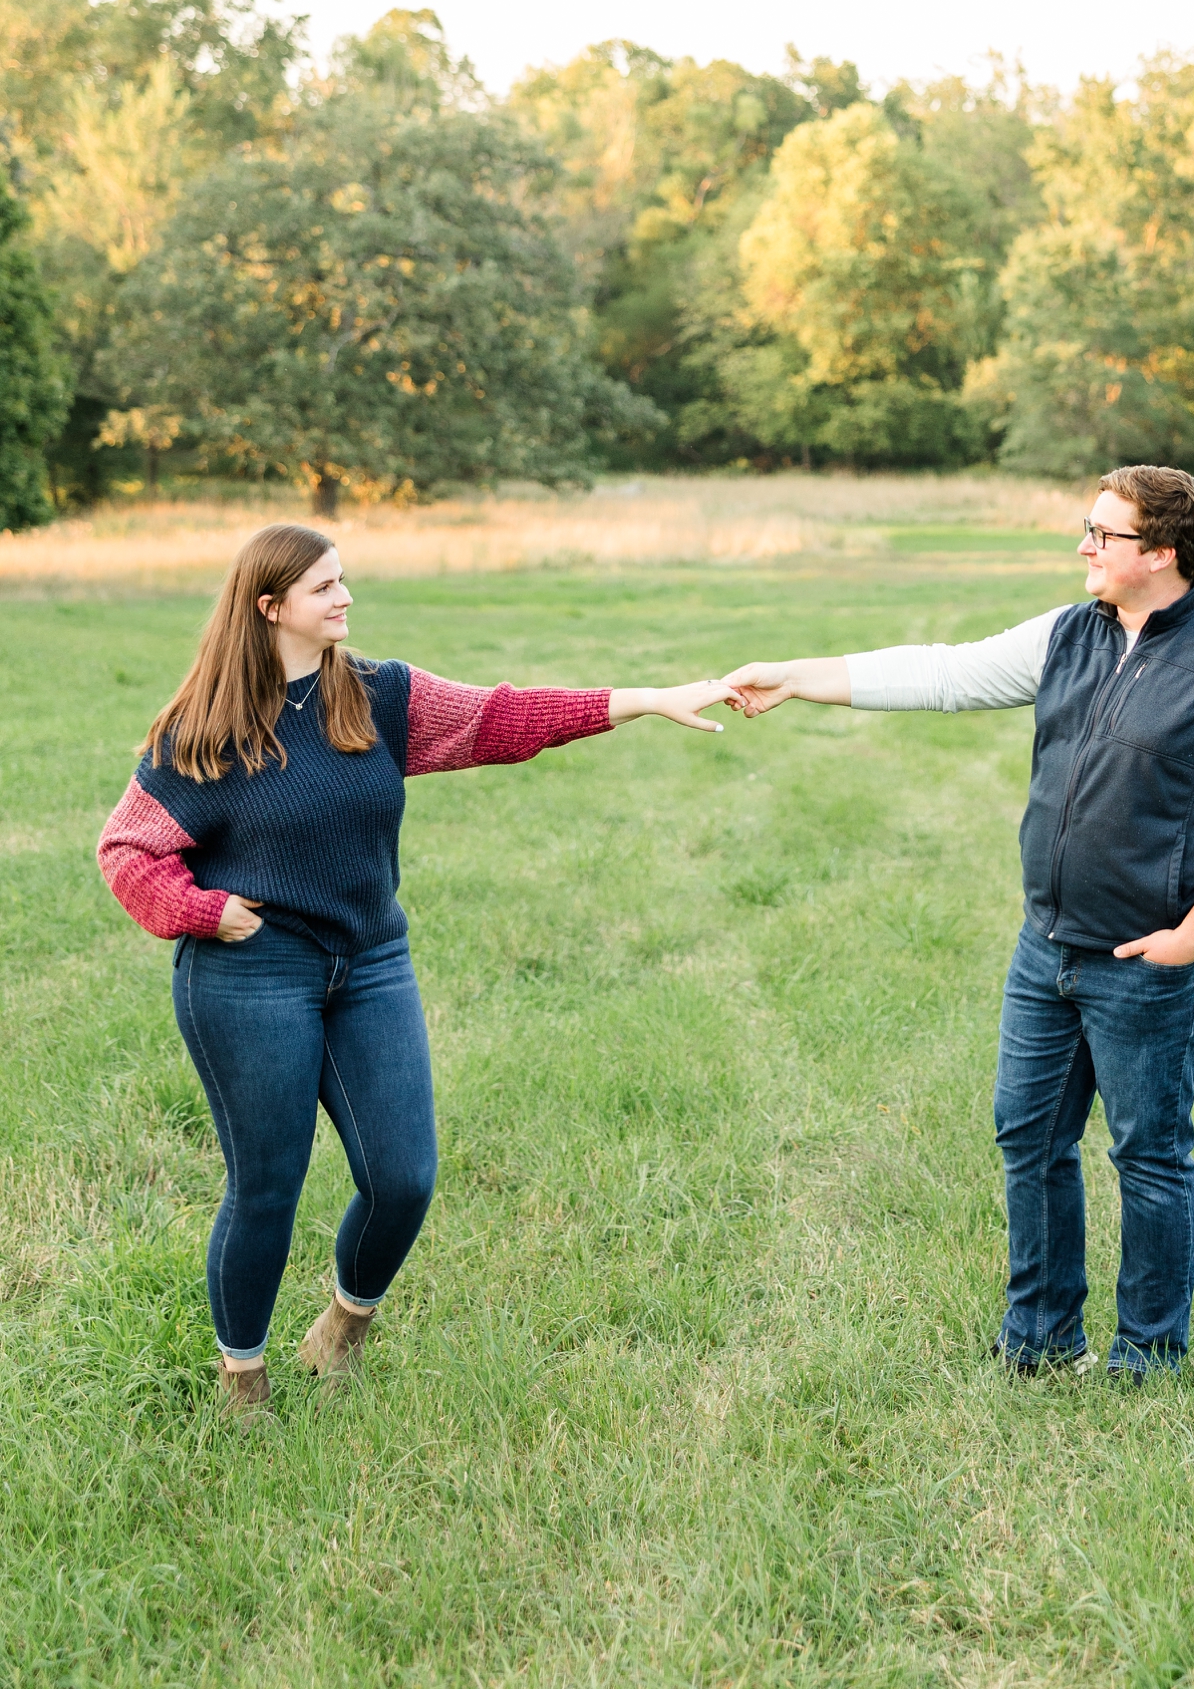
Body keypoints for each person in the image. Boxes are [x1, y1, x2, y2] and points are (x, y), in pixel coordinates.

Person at [98, 521, 733, 1421]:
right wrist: (202, 910)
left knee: (403, 1177)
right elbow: (128, 851)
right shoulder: (205, 731)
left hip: (370, 962)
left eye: (344, 579)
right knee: (267, 1186)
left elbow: (502, 718)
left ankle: (344, 1327)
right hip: (252, 975)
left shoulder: (379, 698)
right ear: (269, 606)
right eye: (325, 588)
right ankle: (242, 1376)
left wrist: (643, 698)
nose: (346, 597)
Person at [723, 464, 1194, 1380]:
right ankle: (1039, 1340)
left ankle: (1148, 1354)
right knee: (1029, 1138)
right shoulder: (1070, 635)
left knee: (1148, 1156)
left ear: (1160, 552)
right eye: (1087, 526)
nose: (1083, 545)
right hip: (1047, 949)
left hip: (1147, 962)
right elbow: (944, 674)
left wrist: (1192, 937)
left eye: (1102, 535)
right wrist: (795, 677)